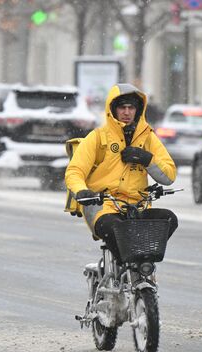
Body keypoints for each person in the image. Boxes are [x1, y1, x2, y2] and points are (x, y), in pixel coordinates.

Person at [65, 83, 178, 263]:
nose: (126, 112)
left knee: (168, 219)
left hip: (137, 207)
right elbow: (75, 171)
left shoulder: (148, 138)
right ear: (113, 109)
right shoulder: (98, 137)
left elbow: (169, 175)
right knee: (115, 229)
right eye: (122, 107)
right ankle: (125, 265)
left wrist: (147, 160)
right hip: (103, 206)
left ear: (138, 110)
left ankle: (142, 268)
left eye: (131, 107)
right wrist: (81, 191)